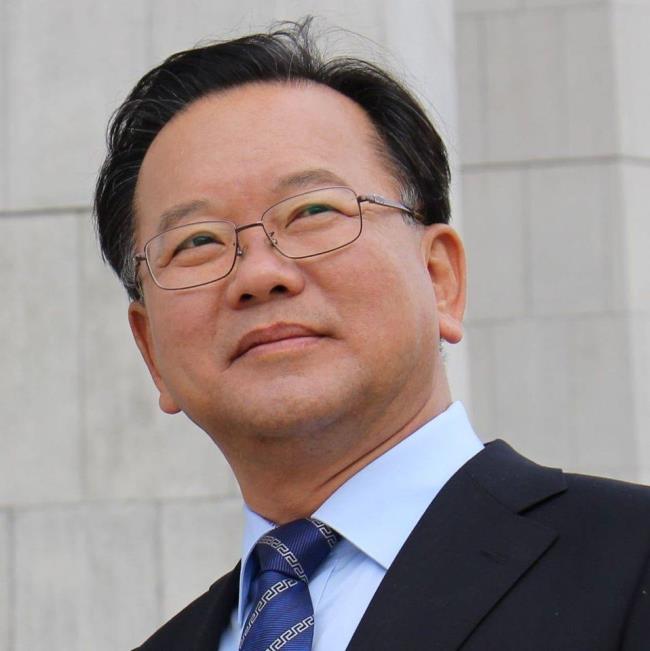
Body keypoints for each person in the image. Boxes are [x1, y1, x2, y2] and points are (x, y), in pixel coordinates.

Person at [94, 19, 650, 651]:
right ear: (151, 351)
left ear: (440, 278)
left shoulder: (631, 563)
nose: (260, 275)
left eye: (313, 211)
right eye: (196, 242)